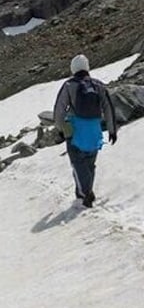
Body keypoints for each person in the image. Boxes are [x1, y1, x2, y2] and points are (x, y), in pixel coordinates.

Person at [53, 54, 118, 208]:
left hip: (76, 131)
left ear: (73, 68)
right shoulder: (98, 85)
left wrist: (60, 129)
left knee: (78, 164)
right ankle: (83, 193)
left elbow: (59, 110)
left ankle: (86, 194)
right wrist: (112, 130)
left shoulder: (69, 85)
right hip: (94, 132)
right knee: (89, 164)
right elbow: (109, 108)